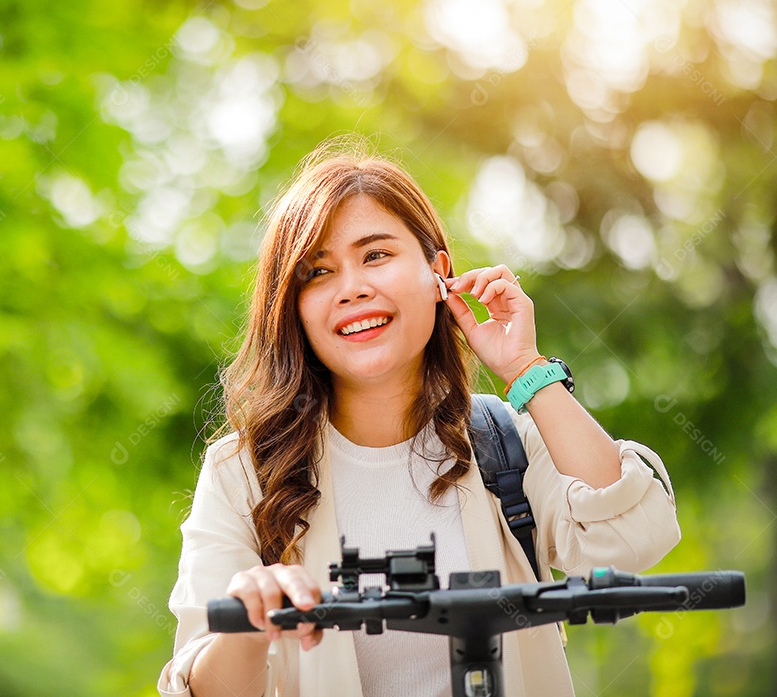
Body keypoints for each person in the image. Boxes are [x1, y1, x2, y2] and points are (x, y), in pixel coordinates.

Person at [157, 139, 680, 697]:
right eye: (317, 272)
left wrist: (527, 369)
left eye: (376, 255)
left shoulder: (502, 445)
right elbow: (199, 686)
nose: (352, 287)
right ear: (293, 308)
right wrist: (247, 621)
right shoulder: (243, 472)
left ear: (439, 273)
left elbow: (632, 538)